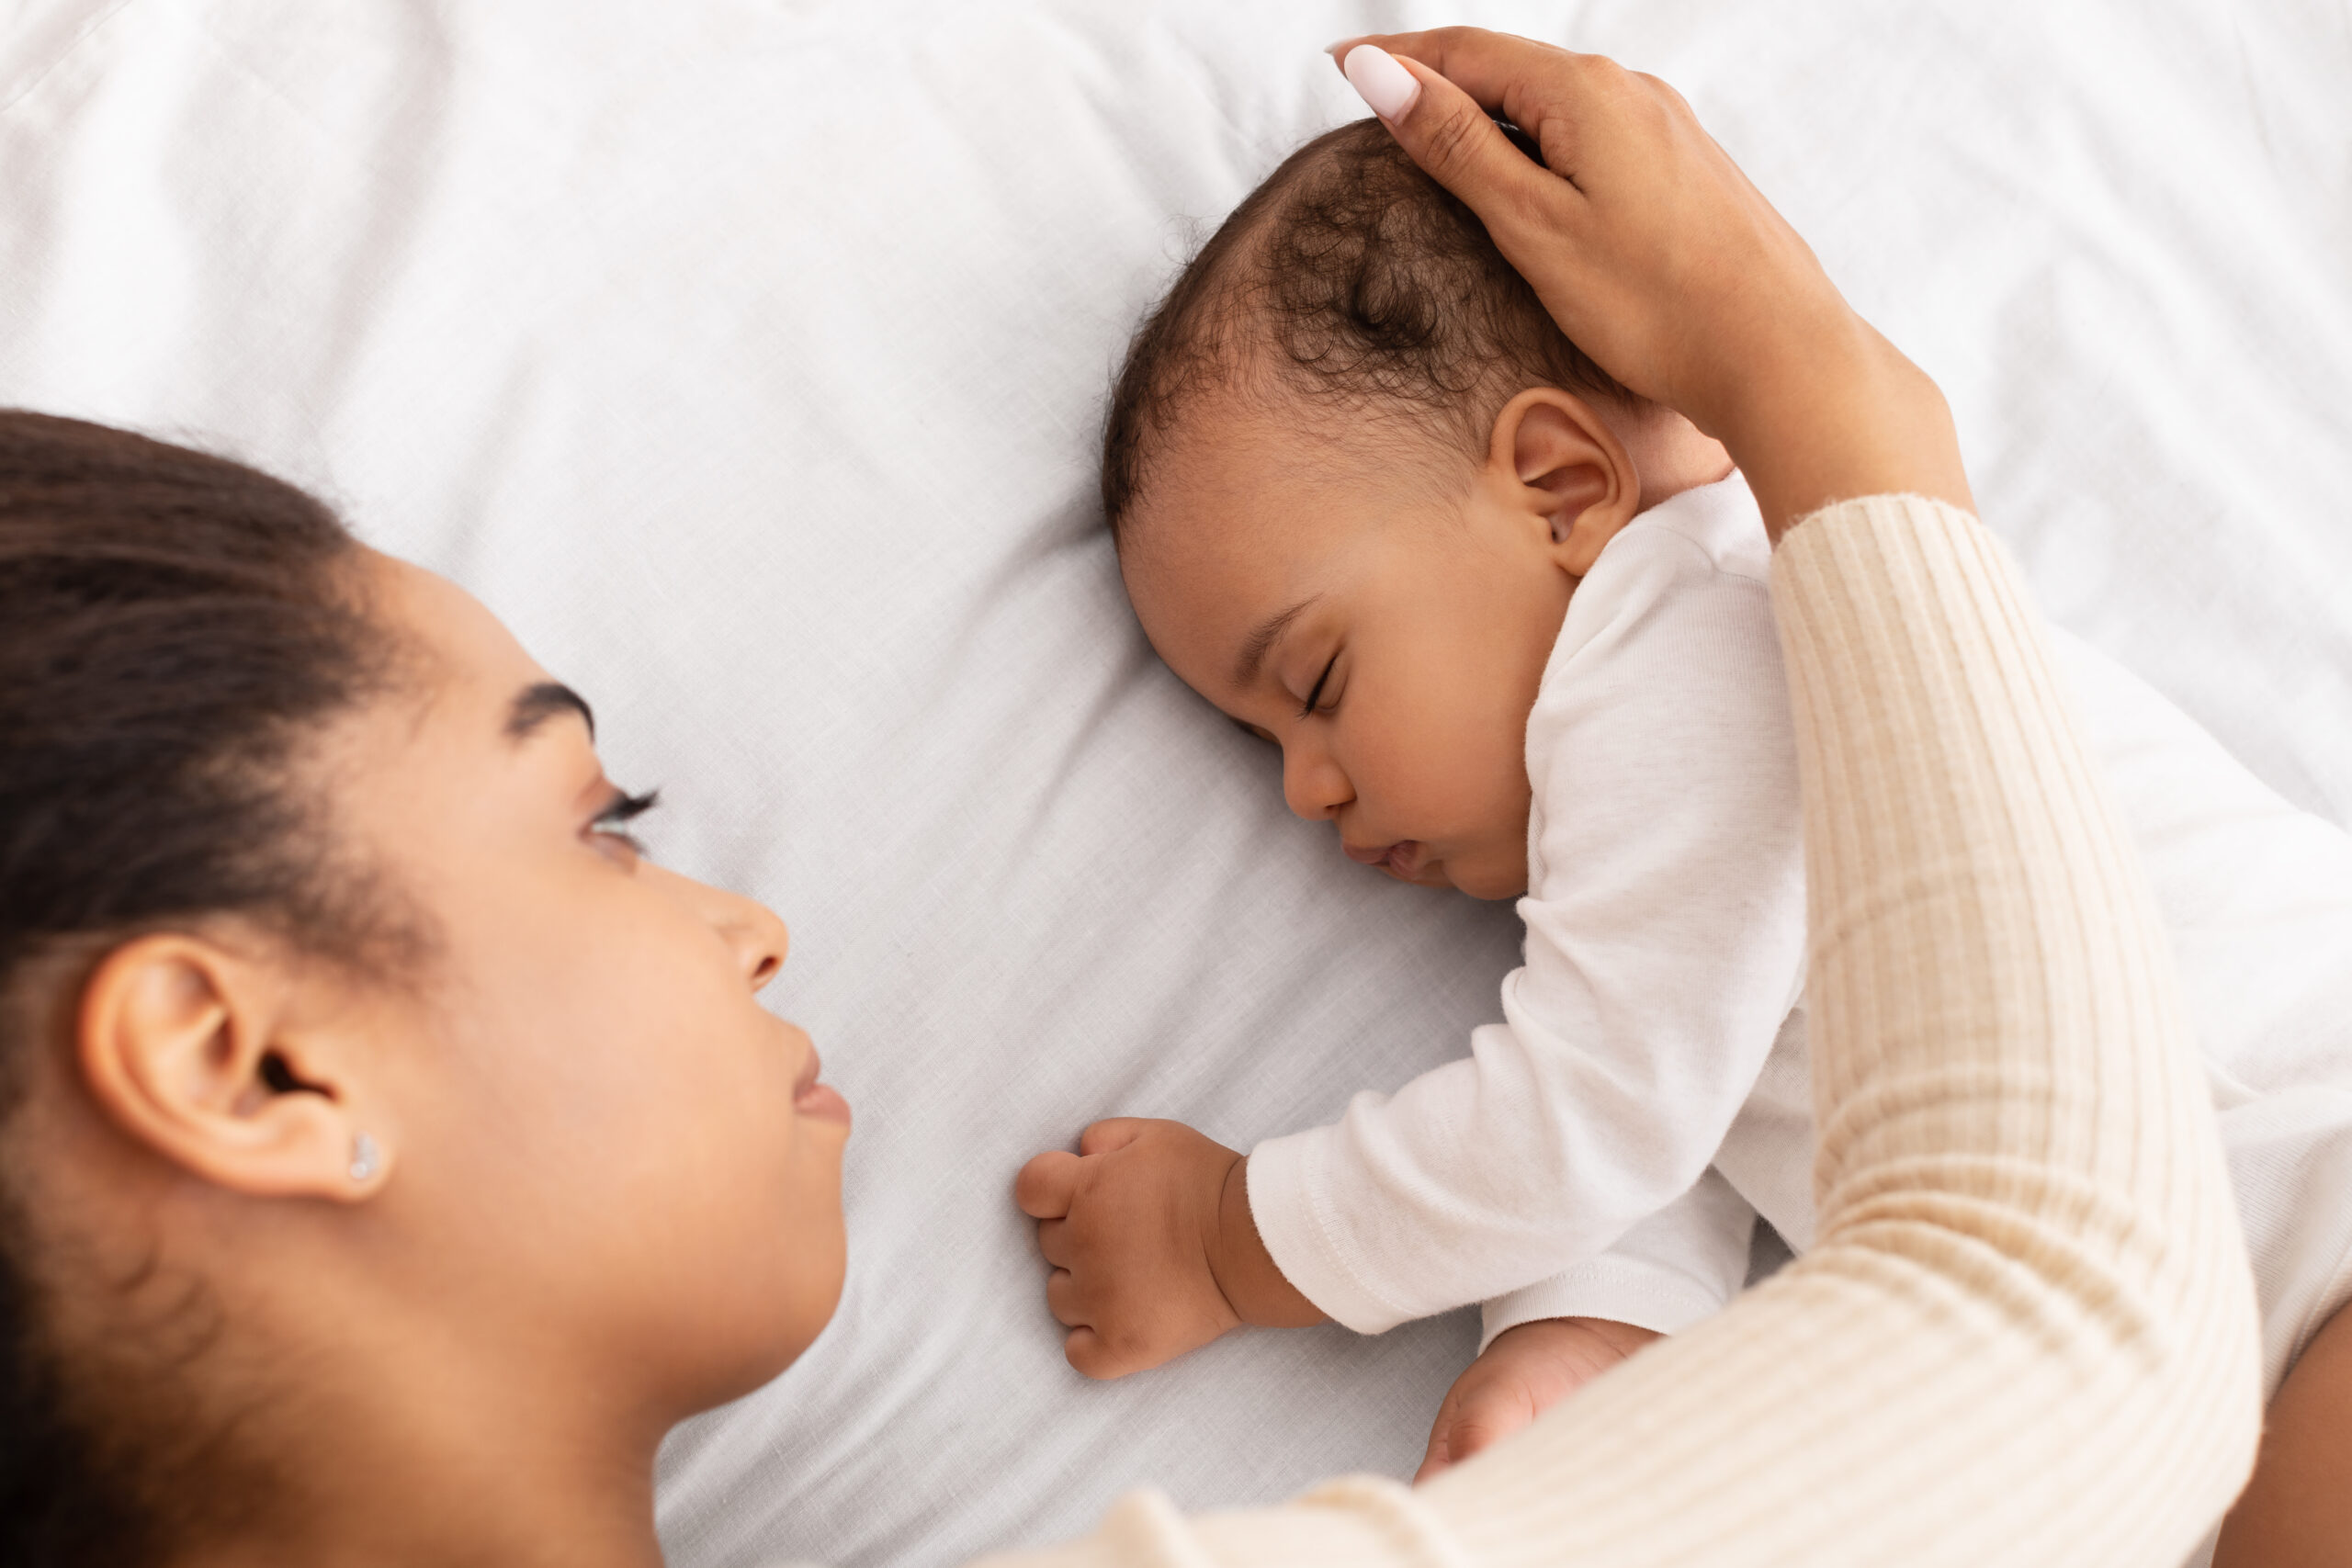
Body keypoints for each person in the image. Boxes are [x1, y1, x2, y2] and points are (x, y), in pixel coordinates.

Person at [0, 26, 2261, 1568]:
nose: (749, 915)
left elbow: (1658, 1070)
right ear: (250, 1058)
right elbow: (2066, 1333)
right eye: (601, 818)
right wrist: (1819, 396)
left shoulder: (1667, 639)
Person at [1016, 43, 2352, 1554]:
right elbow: (1703, 1070)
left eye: (1316, 686)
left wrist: (1236, 1237)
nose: (1308, 787)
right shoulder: (1665, 756)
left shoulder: (1684, 629)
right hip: (2223, 1322)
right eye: (1261, 744)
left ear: (1564, 492)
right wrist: (1597, 1322)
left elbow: (1604, 1103)